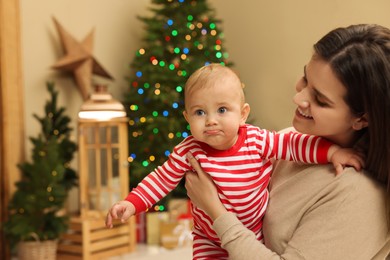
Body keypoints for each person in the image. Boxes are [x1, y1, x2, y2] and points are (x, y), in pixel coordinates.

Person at [106, 64, 363, 259]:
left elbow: (295, 145)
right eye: (199, 112)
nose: (211, 120)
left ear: (243, 114)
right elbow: (161, 179)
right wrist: (132, 203)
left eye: (221, 110)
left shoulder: (257, 140)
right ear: (187, 117)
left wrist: (332, 154)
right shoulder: (189, 151)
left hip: (254, 233)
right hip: (208, 238)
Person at [185, 24, 390, 259]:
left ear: (361, 118)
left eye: (320, 100)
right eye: (305, 78)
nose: (298, 97)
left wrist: (216, 211)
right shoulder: (290, 141)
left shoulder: (357, 195)